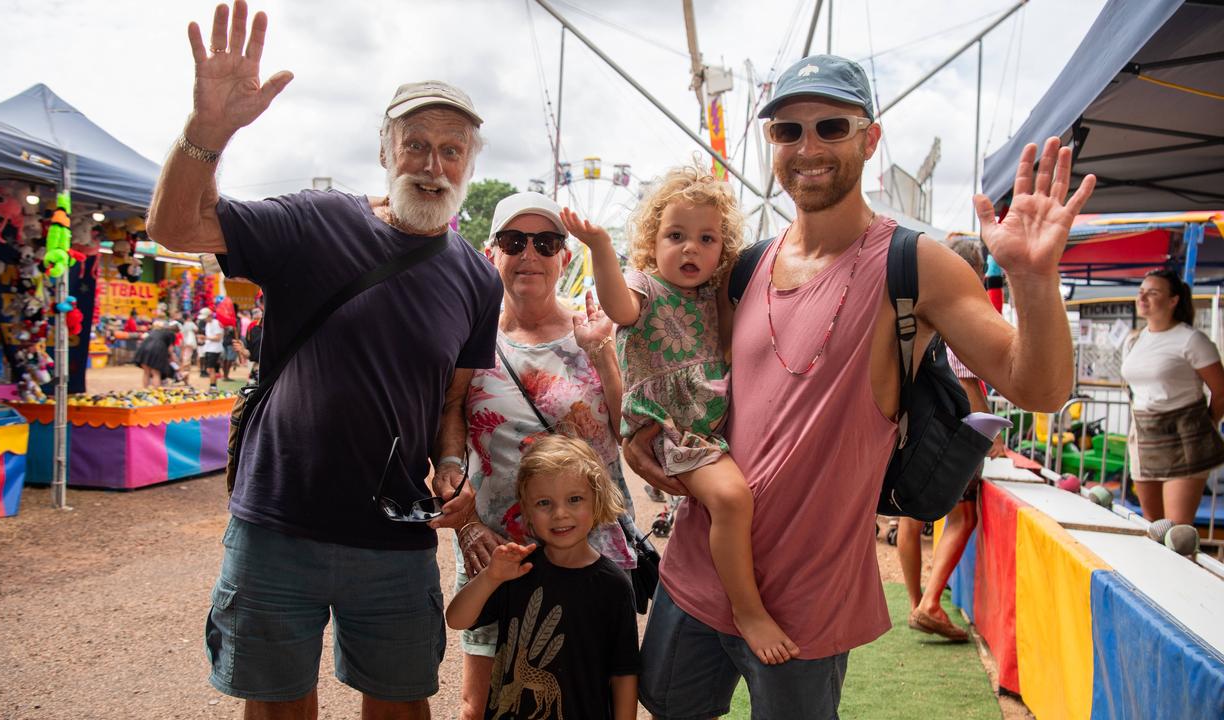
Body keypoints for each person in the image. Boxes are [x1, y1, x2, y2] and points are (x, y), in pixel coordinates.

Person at [626, 54, 1095, 719]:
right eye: (789, 131)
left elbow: (1038, 387)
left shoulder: (914, 262)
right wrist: (641, 436)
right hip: (699, 573)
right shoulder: (746, 264)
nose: (808, 146)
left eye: (831, 127)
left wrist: (1033, 278)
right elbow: (688, 375)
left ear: (869, 139)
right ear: (773, 145)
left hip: (807, 601)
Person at [146, 2, 501, 718]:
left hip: (395, 535)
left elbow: (450, 405)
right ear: (384, 149)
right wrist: (208, 131)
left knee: (401, 704)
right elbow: (175, 224)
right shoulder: (317, 221)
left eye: (452, 150)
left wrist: (455, 468)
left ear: (469, 164)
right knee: (277, 704)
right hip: (279, 521)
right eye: (416, 144)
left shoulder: (476, 277)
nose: (433, 165)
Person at [563, 166, 799, 665]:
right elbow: (619, 308)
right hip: (672, 429)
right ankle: (748, 610)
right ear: (653, 241)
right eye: (676, 236)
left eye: (706, 238)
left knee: (745, 501)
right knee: (732, 501)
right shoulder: (644, 286)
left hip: (714, 424)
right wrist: (600, 247)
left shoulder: (714, 299)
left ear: (722, 251)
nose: (690, 248)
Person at [449, 191, 635, 719]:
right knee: (480, 704)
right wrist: (465, 526)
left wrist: (602, 354)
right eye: (514, 241)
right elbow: (442, 435)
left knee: (584, 696)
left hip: (587, 552)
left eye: (546, 242)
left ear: (564, 258)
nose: (529, 253)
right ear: (492, 255)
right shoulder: (467, 340)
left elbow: (631, 431)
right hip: (499, 553)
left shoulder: (597, 331)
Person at [445, 434, 640, 720]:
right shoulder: (517, 569)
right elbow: (456, 619)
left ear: (596, 501)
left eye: (574, 499)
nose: (560, 513)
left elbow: (624, 673)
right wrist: (491, 577)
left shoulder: (613, 586)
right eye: (544, 503)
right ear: (526, 511)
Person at [896, 236, 1007, 642]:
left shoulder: (919, 311)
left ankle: (915, 603)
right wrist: (989, 438)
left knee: (911, 516)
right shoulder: (963, 315)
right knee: (963, 516)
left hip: (914, 428)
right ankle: (930, 604)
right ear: (973, 272)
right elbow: (966, 382)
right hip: (950, 435)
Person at [1120, 268, 1224, 525]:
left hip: (1185, 438)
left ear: (1173, 300)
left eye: (1152, 293)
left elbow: (1221, 390)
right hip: (1145, 437)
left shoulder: (1191, 340)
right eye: (1141, 292)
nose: (1143, 297)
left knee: (1177, 533)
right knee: (1154, 527)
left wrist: (1208, 424)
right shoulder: (1134, 339)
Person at [134, 319, 180, 388]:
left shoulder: (154, 331)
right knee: (156, 372)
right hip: (156, 350)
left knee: (147, 372)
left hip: (143, 349)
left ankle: (145, 390)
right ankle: (156, 392)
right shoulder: (171, 334)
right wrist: (175, 360)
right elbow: (170, 350)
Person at [201, 309, 224, 389]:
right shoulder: (208, 324)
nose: (204, 319)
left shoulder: (216, 323)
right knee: (210, 369)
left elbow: (218, 337)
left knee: (211, 368)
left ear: (209, 316)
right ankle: (213, 385)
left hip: (214, 349)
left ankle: (213, 386)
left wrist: (206, 337)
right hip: (209, 348)